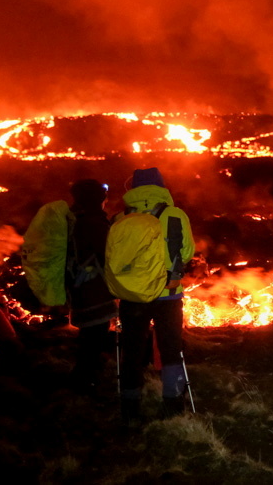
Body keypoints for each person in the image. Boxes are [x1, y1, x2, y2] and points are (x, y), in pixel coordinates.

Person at [115, 168, 195, 424]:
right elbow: (187, 252)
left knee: (132, 349)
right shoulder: (175, 214)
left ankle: (130, 403)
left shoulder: (120, 217)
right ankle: (172, 402)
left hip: (133, 295)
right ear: (161, 187)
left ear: (133, 189)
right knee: (171, 348)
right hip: (168, 295)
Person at [67, 179, 118, 393]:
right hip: (93, 290)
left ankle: (85, 377)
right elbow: (107, 256)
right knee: (94, 336)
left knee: (90, 335)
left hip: (80, 289)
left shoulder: (75, 219)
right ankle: (85, 381)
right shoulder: (93, 223)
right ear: (98, 199)